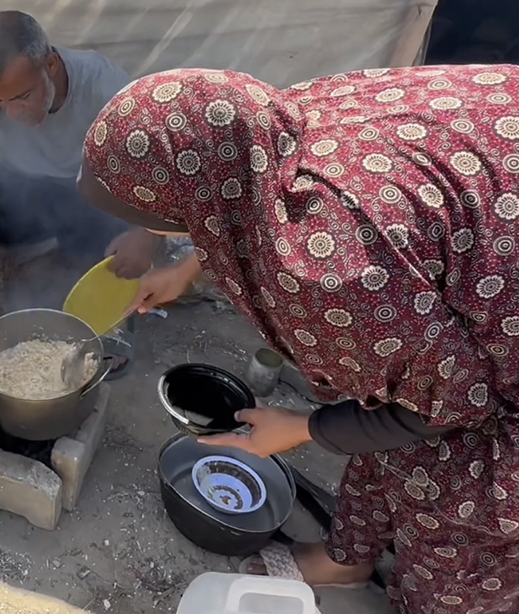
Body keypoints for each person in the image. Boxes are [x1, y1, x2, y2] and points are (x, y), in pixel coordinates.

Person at [80, 65, 519, 613]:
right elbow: (241, 201)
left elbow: (451, 403)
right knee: (376, 387)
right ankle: (348, 558)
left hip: (496, 340)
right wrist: (189, 267)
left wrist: (302, 428)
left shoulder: (329, 272)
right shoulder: (269, 123)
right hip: (482, 195)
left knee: (461, 509)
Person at [0, 10, 160, 277]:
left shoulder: (104, 84)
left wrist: (147, 236)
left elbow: (155, 163)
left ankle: (69, 260)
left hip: (84, 206)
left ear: (51, 65)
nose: (11, 113)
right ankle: (5, 262)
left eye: (22, 96)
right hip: (22, 202)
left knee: (116, 235)